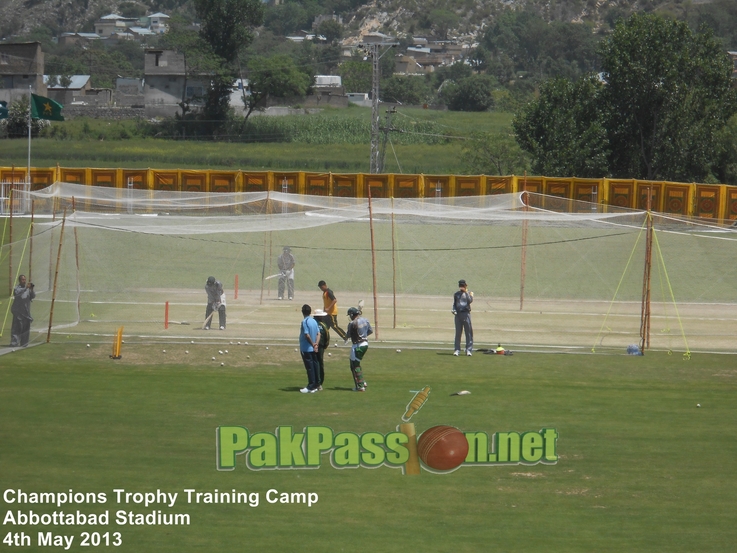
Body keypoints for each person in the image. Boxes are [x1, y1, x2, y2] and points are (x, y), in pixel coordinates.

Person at [346, 306, 373, 391]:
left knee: (354, 365)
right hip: (365, 344)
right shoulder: (365, 320)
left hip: (357, 345)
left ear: (352, 315)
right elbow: (370, 331)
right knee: (356, 363)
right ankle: (362, 381)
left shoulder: (352, 323)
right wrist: (363, 336)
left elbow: (348, 335)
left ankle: (360, 386)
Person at [299, 304, 321, 394]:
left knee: (310, 368)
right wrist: (316, 345)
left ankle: (310, 386)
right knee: (315, 366)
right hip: (313, 348)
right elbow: (318, 334)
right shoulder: (314, 321)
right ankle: (316, 385)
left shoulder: (305, 321)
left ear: (302, 312)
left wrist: (312, 344)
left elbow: (307, 335)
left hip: (306, 348)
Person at [10, 274, 35, 347]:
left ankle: (24, 343)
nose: (24, 281)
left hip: (26, 312)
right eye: (22, 280)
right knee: (16, 328)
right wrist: (25, 288)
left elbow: (33, 296)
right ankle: (14, 343)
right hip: (18, 312)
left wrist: (31, 289)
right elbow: (17, 293)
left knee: (26, 329)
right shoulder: (17, 288)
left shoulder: (28, 289)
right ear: (19, 280)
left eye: (25, 279)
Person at [452, 279, 473, 356]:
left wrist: (466, 292)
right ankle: (457, 349)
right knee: (458, 333)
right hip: (458, 315)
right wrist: (454, 310)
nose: (461, 287)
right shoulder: (456, 294)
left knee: (468, 333)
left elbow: (470, 301)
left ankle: (468, 349)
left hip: (466, 314)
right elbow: (454, 303)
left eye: (463, 285)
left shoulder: (469, 293)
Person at [312, 309, 331, 390]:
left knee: (313, 364)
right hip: (320, 347)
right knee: (320, 364)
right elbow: (327, 336)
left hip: (312, 346)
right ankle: (319, 383)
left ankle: (314, 382)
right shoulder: (323, 325)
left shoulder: (312, 323)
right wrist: (325, 345)